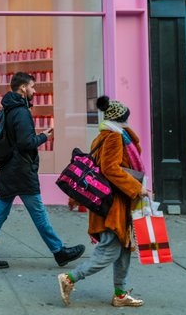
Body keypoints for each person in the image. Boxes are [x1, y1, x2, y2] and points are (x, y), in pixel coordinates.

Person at [0, 71, 85, 270]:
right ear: (23, 88)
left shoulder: (9, 109)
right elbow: (26, 142)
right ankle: (59, 251)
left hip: (9, 170)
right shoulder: (21, 111)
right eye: (32, 87)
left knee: (0, 212)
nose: (34, 91)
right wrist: (44, 136)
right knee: (38, 212)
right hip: (21, 171)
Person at [57, 95, 148, 307]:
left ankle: (121, 294)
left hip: (118, 202)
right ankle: (69, 279)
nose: (128, 121)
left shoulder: (105, 136)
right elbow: (110, 169)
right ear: (120, 118)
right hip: (112, 204)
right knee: (109, 251)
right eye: (126, 117)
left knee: (124, 248)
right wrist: (137, 187)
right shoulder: (115, 137)